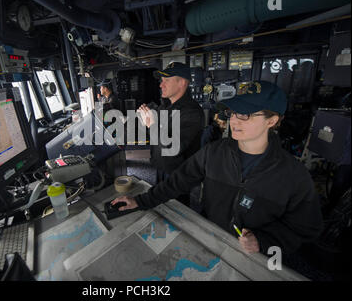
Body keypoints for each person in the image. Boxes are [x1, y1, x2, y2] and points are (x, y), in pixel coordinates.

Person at [113, 81, 323, 256]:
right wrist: (140, 201)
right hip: (212, 243)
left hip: (255, 258)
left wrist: (264, 241)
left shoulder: (294, 175)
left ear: (272, 120)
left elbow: (306, 228)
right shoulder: (214, 152)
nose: (234, 120)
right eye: (233, 112)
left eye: (246, 114)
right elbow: (178, 181)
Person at [138, 62, 204, 200]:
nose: (161, 85)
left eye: (166, 80)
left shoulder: (192, 112)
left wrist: (152, 125)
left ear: (182, 83)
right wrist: (145, 117)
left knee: (176, 212)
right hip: (161, 167)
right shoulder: (166, 107)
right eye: (161, 81)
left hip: (178, 175)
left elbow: (173, 147)